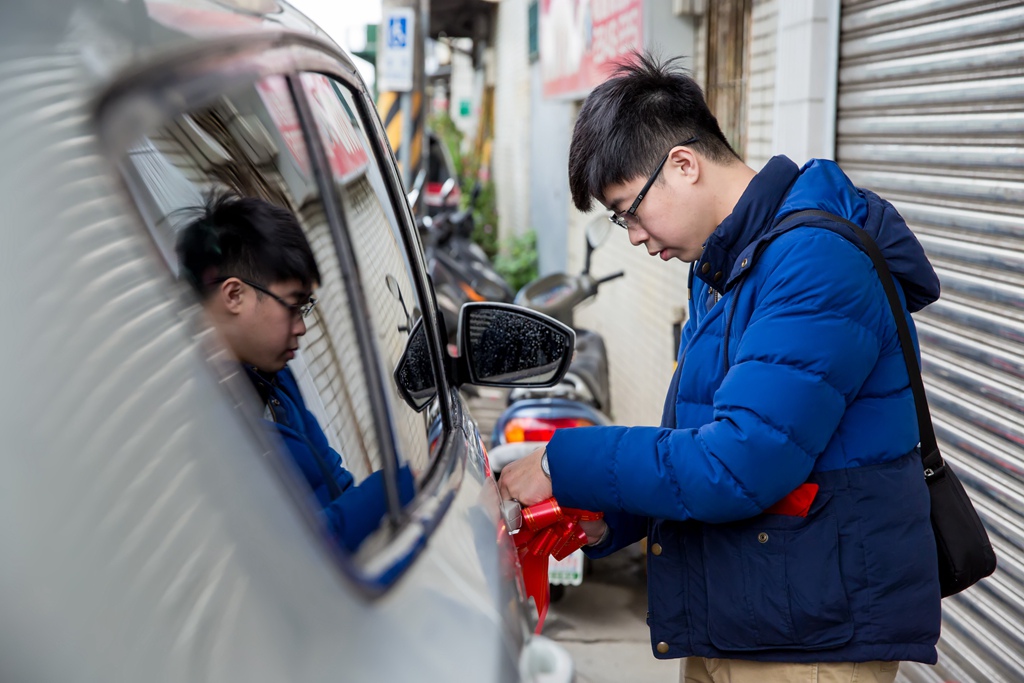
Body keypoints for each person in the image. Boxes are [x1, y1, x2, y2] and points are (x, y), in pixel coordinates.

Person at [498, 53, 942, 683]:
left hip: (810, 645)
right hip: (747, 614)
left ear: (683, 165)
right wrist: (608, 516)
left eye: (629, 210)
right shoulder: (723, 267)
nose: (633, 237)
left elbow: (739, 464)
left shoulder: (814, 264)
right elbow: (697, 441)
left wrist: (560, 462)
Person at [177, 192, 411, 552]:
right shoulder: (199, 423)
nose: (302, 328)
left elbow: (335, 479)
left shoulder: (274, 378)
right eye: (294, 306)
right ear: (234, 295)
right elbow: (303, 551)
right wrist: (399, 484)